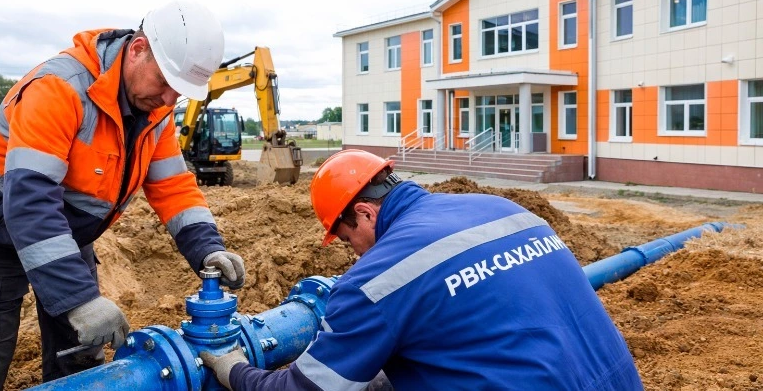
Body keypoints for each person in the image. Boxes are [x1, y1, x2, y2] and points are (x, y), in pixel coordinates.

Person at [0, 1, 246, 389]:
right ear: (137, 49)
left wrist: (207, 248)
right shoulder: (59, 89)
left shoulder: (155, 112)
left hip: (65, 229)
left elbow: (173, 186)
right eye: (164, 83)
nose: (168, 101)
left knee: (80, 356)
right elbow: (29, 202)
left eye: (178, 93)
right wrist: (79, 299)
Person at [200, 149, 643, 390]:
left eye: (348, 238)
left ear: (366, 214)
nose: (354, 254)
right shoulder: (504, 208)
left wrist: (234, 368)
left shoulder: (377, 281)